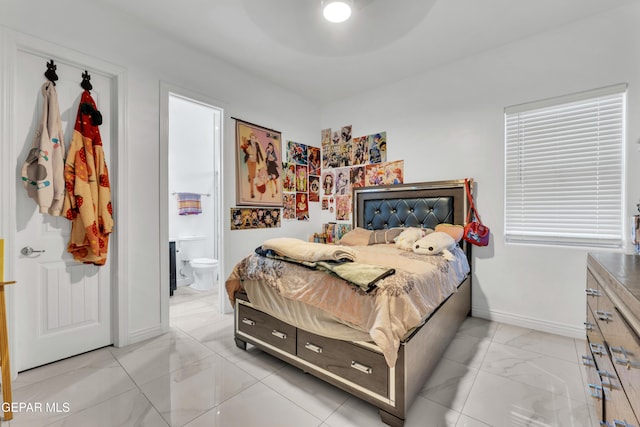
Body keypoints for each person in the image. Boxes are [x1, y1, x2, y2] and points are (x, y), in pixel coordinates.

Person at [240, 133, 264, 198]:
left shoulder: (256, 144)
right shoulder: (247, 143)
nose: (253, 139)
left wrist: (262, 159)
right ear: (250, 138)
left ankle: (250, 176)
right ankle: (252, 193)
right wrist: (248, 154)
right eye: (252, 138)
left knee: (253, 176)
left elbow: (259, 152)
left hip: (255, 161)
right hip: (249, 161)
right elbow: (244, 149)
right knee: (251, 177)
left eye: (254, 138)